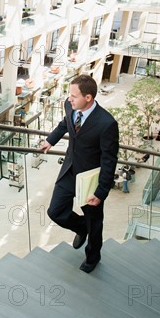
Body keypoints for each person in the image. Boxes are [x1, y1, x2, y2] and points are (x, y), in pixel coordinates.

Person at [40, 75, 119, 273]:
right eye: (69, 94)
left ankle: (93, 257)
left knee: (95, 223)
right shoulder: (71, 107)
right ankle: (80, 227)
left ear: (89, 97)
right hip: (69, 171)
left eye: (74, 96)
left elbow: (109, 160)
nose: (69, 99)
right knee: (55, 211)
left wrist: (101, 192)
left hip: (90, 179)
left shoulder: (107, 123)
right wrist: (50, 140)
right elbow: (65, 124)